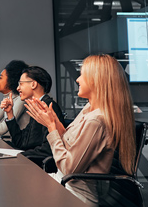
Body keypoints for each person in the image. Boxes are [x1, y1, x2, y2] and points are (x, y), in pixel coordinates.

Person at [26, 54, 136, 205]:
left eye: (82, 75)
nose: (77, 79)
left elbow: (69, 168)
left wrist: (51, 128)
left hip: (73, 194)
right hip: (62, 184)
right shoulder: (89, 109)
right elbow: (72, 145)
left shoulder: (97, 120)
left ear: (96, 80)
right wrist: (54, 122)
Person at [1, 66, 65, 150]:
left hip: (36, 162)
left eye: (21, 84)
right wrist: (9, 113)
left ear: (33, 84)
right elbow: (21, 142)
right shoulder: (37, 106)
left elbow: (48, 149)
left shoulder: (48, 107)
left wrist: (22, 156)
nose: (18, 88)